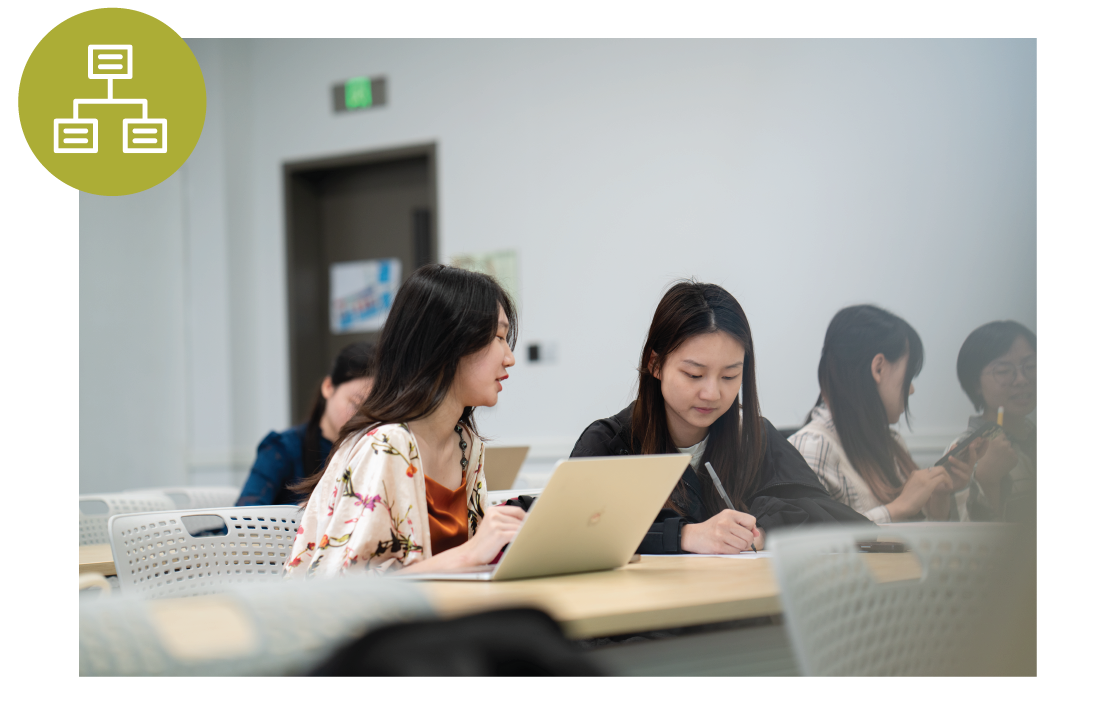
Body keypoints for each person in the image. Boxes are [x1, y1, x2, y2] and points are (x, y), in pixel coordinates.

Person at [570, 280, 866, 556]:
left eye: (729, 375)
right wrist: (685, 535)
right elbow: (571, 533)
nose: (712, 393)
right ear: (655, 364)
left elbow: (830, 514)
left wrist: (762, 531)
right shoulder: (609, 444)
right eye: (694, 374)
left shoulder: (754, 438)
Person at [285, 264, 525, 577]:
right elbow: (345, 590)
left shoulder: (466, 443)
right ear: (447, 342)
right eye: (498, 337)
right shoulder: (386, 444)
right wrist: (470, 554)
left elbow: (474, 566)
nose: (510, 357)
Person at [789, 305, 974, 523]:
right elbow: (810, 540)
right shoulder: (813, 446)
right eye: (909, 375)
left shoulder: (892, 443)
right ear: (878, 368)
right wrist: (898, 508)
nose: (911, 389)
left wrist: (940, 497)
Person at [236, 342, 375, 506]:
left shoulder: (372, 452)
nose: (362, 416)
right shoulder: (282, 449)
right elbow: (242, 520)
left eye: (372, 409)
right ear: (328, 387)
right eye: (356, 403)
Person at [951, 320, 1037, 522]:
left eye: (1031, 366)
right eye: (1004, 371)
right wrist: (988, 481)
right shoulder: (964, 452)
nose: (1022, 379)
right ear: (976, 384)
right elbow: (967, 543)